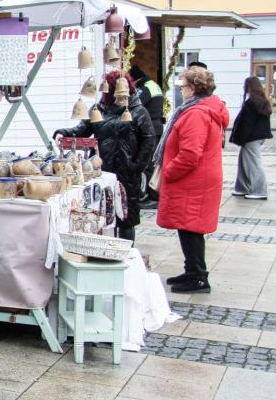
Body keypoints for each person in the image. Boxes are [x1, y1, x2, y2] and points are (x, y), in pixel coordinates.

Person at [56, 70, 157, 242]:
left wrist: (136, 166)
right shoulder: (98, 109)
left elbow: (149, 140)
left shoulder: (138, 111)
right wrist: (63, 133)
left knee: (125, 219)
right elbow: (81, 130)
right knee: (101, 215)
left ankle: (125, 252)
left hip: (127, 174)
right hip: (101, 172)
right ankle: (102, 249)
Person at [154, 66, 229, 293]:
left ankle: (197, 277)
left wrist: (168, 171)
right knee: (188, 227)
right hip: (197, 180)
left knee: (191, 228)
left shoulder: (196, 113)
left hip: (192, 182)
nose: (181, 90)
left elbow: (190, 154)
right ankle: (192, 271)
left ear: (193, 88)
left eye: (183, 86)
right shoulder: (202, 109)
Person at [230, 76, 272, 200]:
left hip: (251, 137)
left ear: (249, 87)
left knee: (254, 164)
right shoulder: (262, 101)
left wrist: (239, 138)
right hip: (258, 136)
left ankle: (259, 191)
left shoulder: (251, 102)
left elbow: (246, 124)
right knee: (244, 161)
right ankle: (242, 188)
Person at [129, 65, 165, 206]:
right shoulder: (153, 85)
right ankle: (153, 194)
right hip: (156, 128)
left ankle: (153, 196)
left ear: (135, 80)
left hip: (151, 130)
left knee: (148, 163)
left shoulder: (145, 89)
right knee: (152, 162)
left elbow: (135, 105)